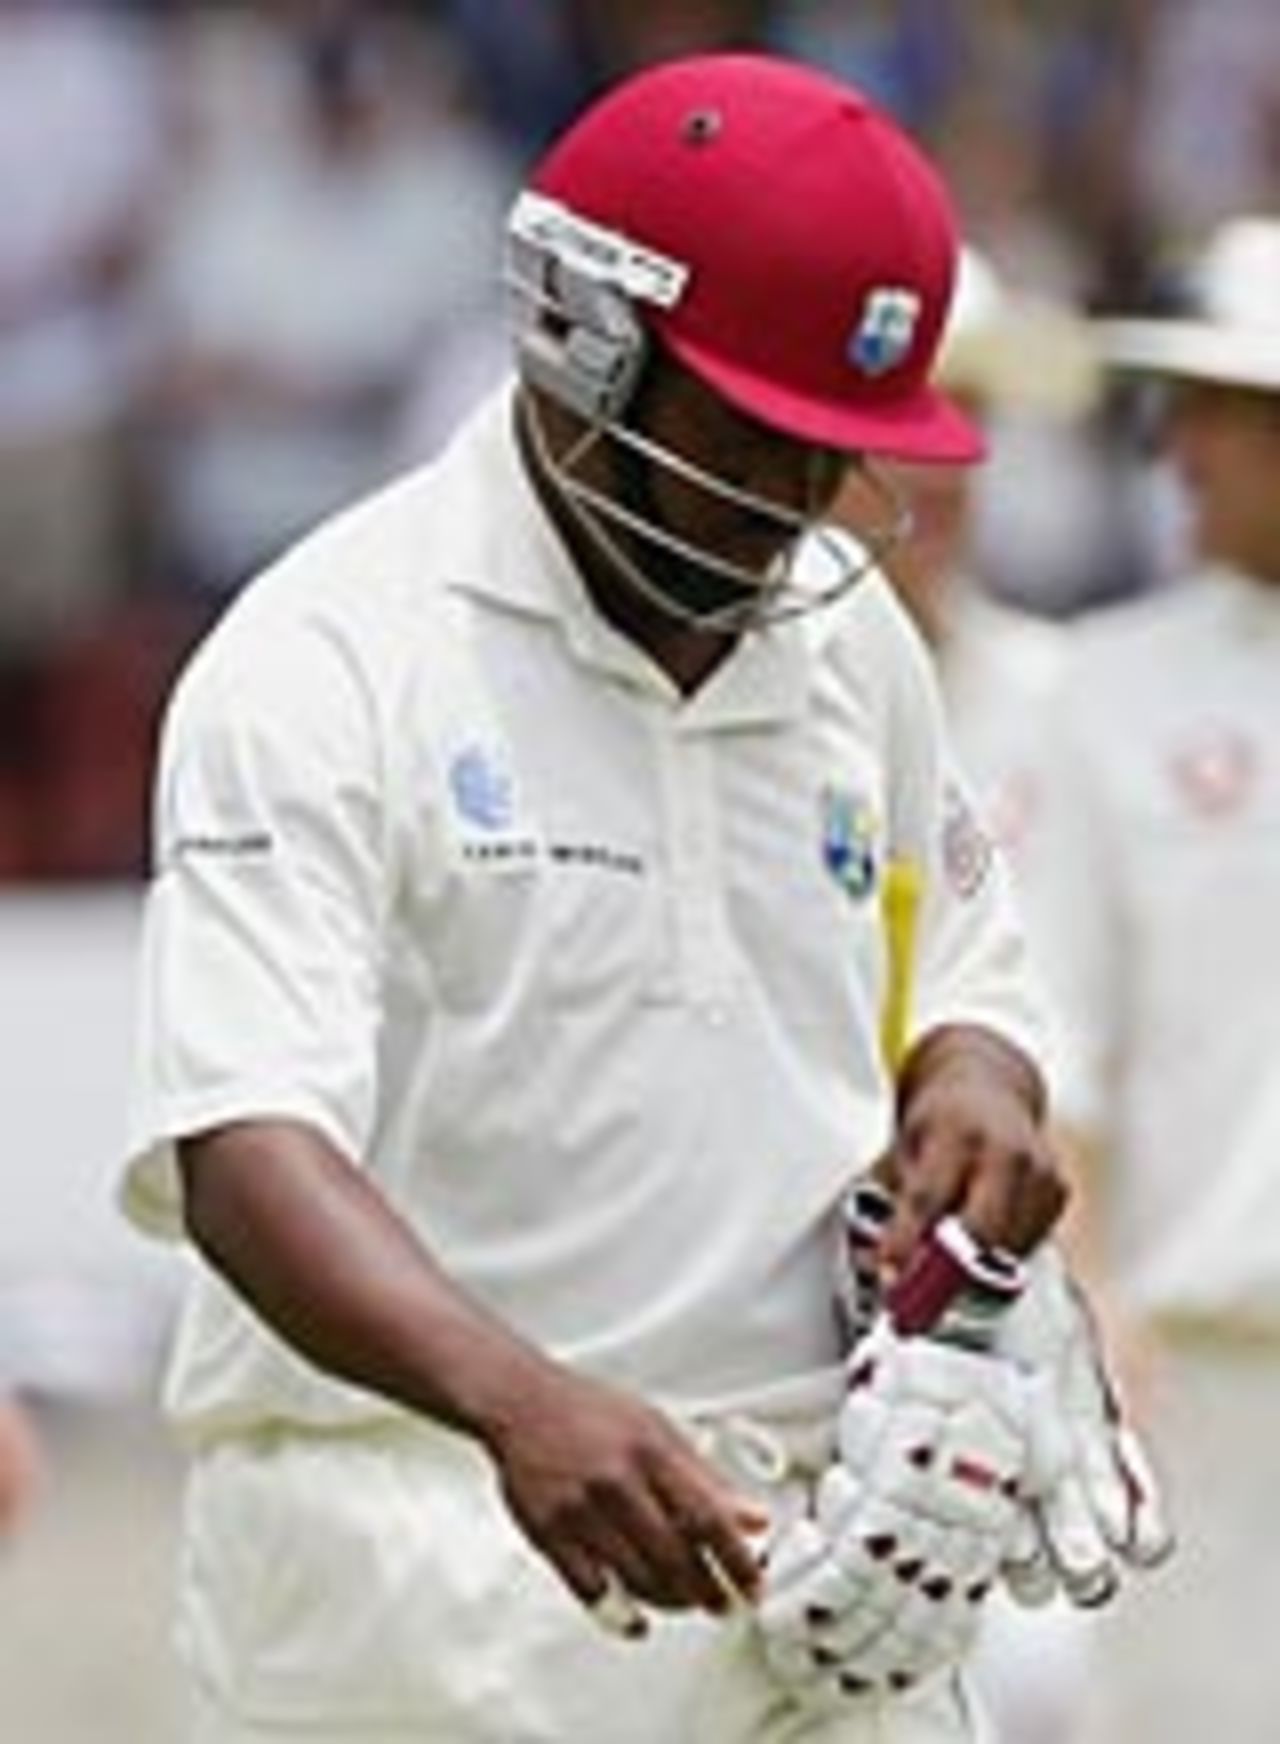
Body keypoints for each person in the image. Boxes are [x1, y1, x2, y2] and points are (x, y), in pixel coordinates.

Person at [120, 54, 1084, 1744]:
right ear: (584, 339)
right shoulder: (329, 659)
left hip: (814, 1571)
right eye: (758, 437)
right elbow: (246, 1149)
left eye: (833, 452)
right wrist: (519, 1404)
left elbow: (962, 968)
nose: (796, 508)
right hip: (423, 1565)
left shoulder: (850, 643)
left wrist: (978, 1080)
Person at [1022, 214, 1280, 1744]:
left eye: (1219, 410)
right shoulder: (1109, 690)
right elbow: (1059, 1041)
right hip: (1215, 1385)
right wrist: (1096, 1295)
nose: (1175, 450)